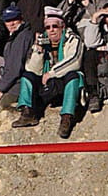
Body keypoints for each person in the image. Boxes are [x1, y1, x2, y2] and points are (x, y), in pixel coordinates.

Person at [20, 7, 85, 138]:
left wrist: (52, 73)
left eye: (55, 26)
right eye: (48, 27)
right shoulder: (42, 40)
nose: (51, 30)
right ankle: (27, 113)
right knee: (27, 76)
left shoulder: (72, 39)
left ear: (62, 26)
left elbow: (74, 61)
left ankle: (67, 117)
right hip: (46, 84)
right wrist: (39, 51)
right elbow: (32, 68)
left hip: (61, 81)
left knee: (73, 76)